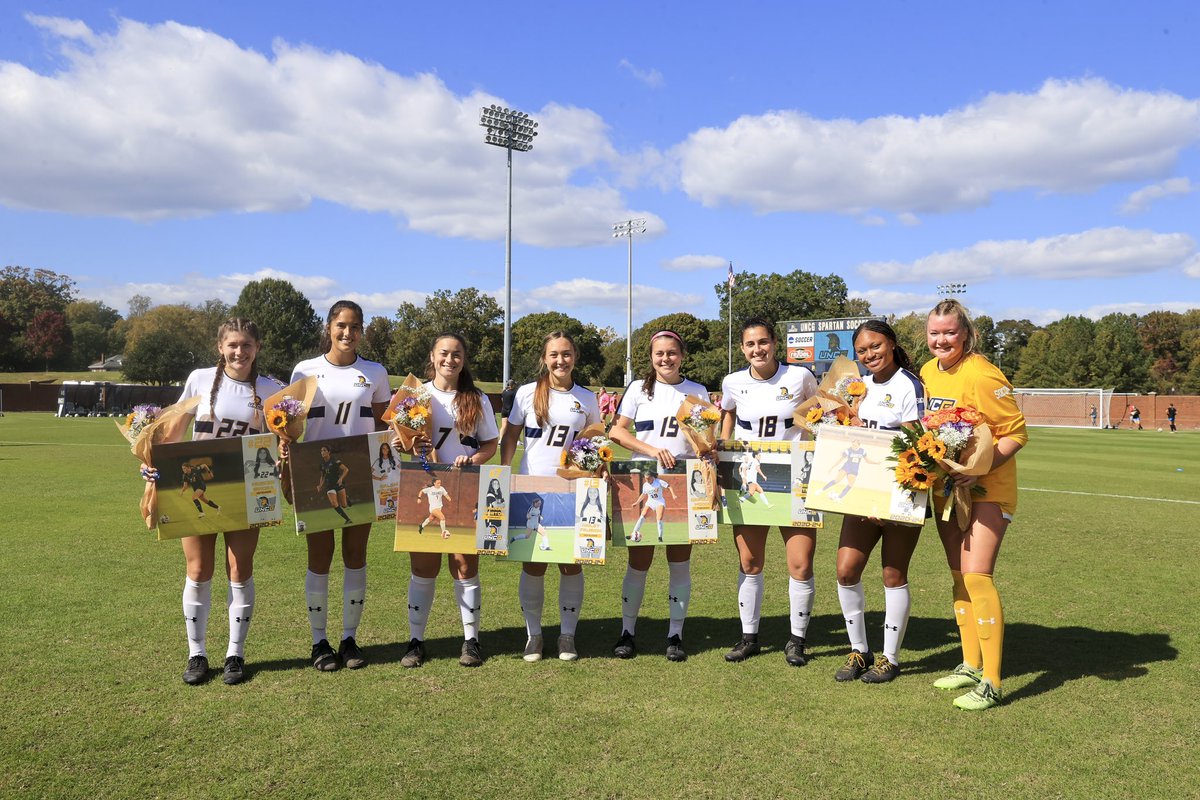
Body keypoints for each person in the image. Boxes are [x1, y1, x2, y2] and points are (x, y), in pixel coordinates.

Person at [152, 317, 282, 686]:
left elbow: (283, 438)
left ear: (257, 348)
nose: (239, 352)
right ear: (220, 347)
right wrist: (152, 464)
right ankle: (197, 654)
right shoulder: (199, 379)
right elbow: (172, 432)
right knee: (198, 570)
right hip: (198, 482)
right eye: (233, 345)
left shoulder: (272, 389)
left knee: (239, 570)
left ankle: (235, 655)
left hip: (247, 490)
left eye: (247, 345)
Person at [922, 299, 1028, 710]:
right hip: (946, 489)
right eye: (935, 333)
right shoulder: (929, 374)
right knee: (959, 577)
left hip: (988, 489)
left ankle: (992, 681)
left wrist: (980, 469)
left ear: (966, 334)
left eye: (949, 332)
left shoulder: (983, 374)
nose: (941, 340)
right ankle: (970, 663)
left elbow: (1016, 434)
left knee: (978, 576)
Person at [290, 300, 391, 672]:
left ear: (362, 330)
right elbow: (291, 424)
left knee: (355, 555)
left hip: (360, 472)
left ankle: (349, 639)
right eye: (341, 326)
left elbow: (384, 427)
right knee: (319, 558)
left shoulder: (375, 372)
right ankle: (319, 643)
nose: (348, 333)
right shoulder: (306, 369)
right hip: (315, 470)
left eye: (355, 326)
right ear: (329, 327)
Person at [719, 317, 818, 665]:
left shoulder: (799, 376)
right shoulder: (732, 382)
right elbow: (728, 418)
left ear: (775, 343)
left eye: (763, 342)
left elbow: (818, 413)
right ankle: (749, 637)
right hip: (749, 475)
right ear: (743, 348)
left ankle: (797, 640)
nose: (757, 350)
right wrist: (721, 448)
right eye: (750, 344)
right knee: (749, 561)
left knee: (800, 564)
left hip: (795, 477)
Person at [499, 331, 601, 662]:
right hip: (532, 487)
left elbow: (595, 444)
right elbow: (511, 436)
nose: (560, 360)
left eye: (566, 354)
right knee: (533, 564)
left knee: (571, 564)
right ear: (545, 358)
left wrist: (594, 475)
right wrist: (503, 473)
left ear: (575, 357)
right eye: (554, 354)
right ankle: (534, 636)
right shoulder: (527, 393)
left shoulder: (586, 398)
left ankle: (567, 636)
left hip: (572, 490)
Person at [833, 320, 926, 684]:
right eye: (862, 350)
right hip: (862, 492)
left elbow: (916, 440)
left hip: (901, 490)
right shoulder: (858, 388)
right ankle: (859, 650)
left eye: (875, 346)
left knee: (893, 574)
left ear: (891, 344)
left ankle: (890, 658)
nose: (869, 354)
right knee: (845, 569)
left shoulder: (909, 385)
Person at [607, 330, 708, 661]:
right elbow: (617, 431)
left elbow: (703, 440)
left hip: (683, 484)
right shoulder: (639, 388)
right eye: (659, 353)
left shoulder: (697, 391)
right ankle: (626, 632)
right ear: (651, 357)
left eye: (671, 353)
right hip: (644, 479)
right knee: (639, 563)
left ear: (682, 354)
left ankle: (675, 635)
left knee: (680, 563)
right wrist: (652, 450)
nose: (666, 359)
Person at [400, 333, 499, 668]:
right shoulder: (415, 396)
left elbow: (489, 445)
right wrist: (411, 446)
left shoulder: (477, 398)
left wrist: (473, 461)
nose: (450, 360)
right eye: (444, 353)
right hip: (424, 483)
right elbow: (399, 441)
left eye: (457, 354)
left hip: (466, 486)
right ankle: (415, 641)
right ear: (432, 356)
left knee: (465, 566)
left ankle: (471, 641)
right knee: (422, 568)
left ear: (464, 359)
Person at [316, 445, 352, 524]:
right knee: (334, 503)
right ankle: (347, 519)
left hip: (338, 484)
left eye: (324, 450)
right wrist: (320, 485)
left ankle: (346, 498)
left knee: (344, 505)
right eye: (321, 451)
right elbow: (323, 476)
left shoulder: (335, 461)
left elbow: (346, 469)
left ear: (329, 452)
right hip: (329, 485)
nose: (322, 452)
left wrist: (341, 478)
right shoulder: (322, 464)